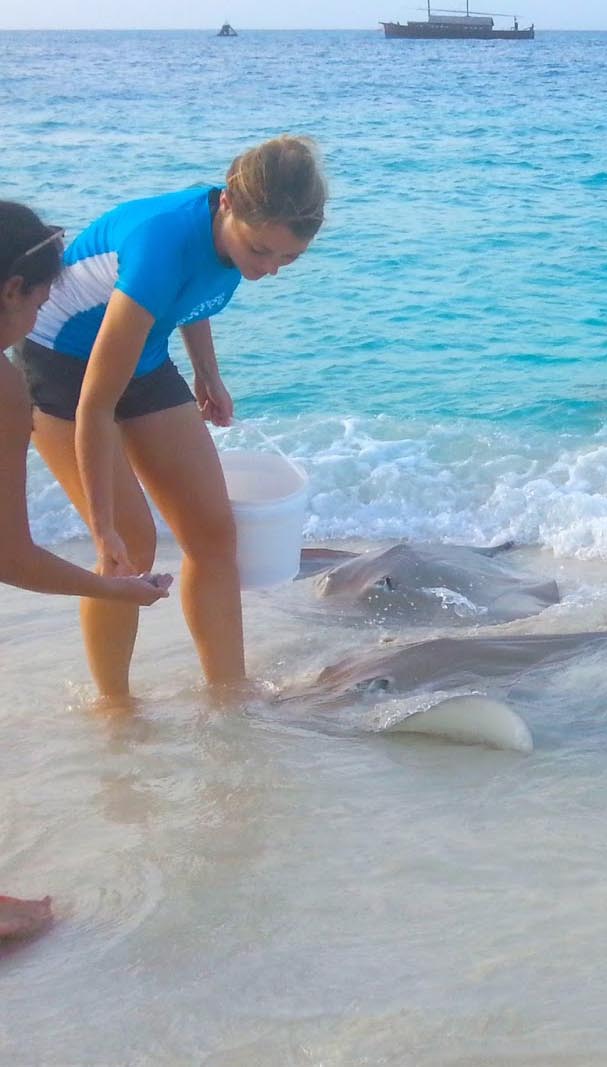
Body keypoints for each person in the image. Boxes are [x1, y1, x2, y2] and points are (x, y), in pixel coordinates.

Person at [15, 136, 327, 700]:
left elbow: (192, 294)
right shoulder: (160, 241)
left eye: (289, 258)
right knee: (128, 546)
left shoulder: (232, 235)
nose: (271, 270)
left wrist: (208, 373)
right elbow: (95, 403)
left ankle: (229, 693)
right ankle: (114, 706)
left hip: (143, 350)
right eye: (262, 252)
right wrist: (103, 524)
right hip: (63, 362)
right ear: (229, 202)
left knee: (212, 532)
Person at [2, 202, 176, 950]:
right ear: (12, 289)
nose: (43, 312)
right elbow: (10, 555)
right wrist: (116, 586)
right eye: (41, 297)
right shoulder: (8, 390)